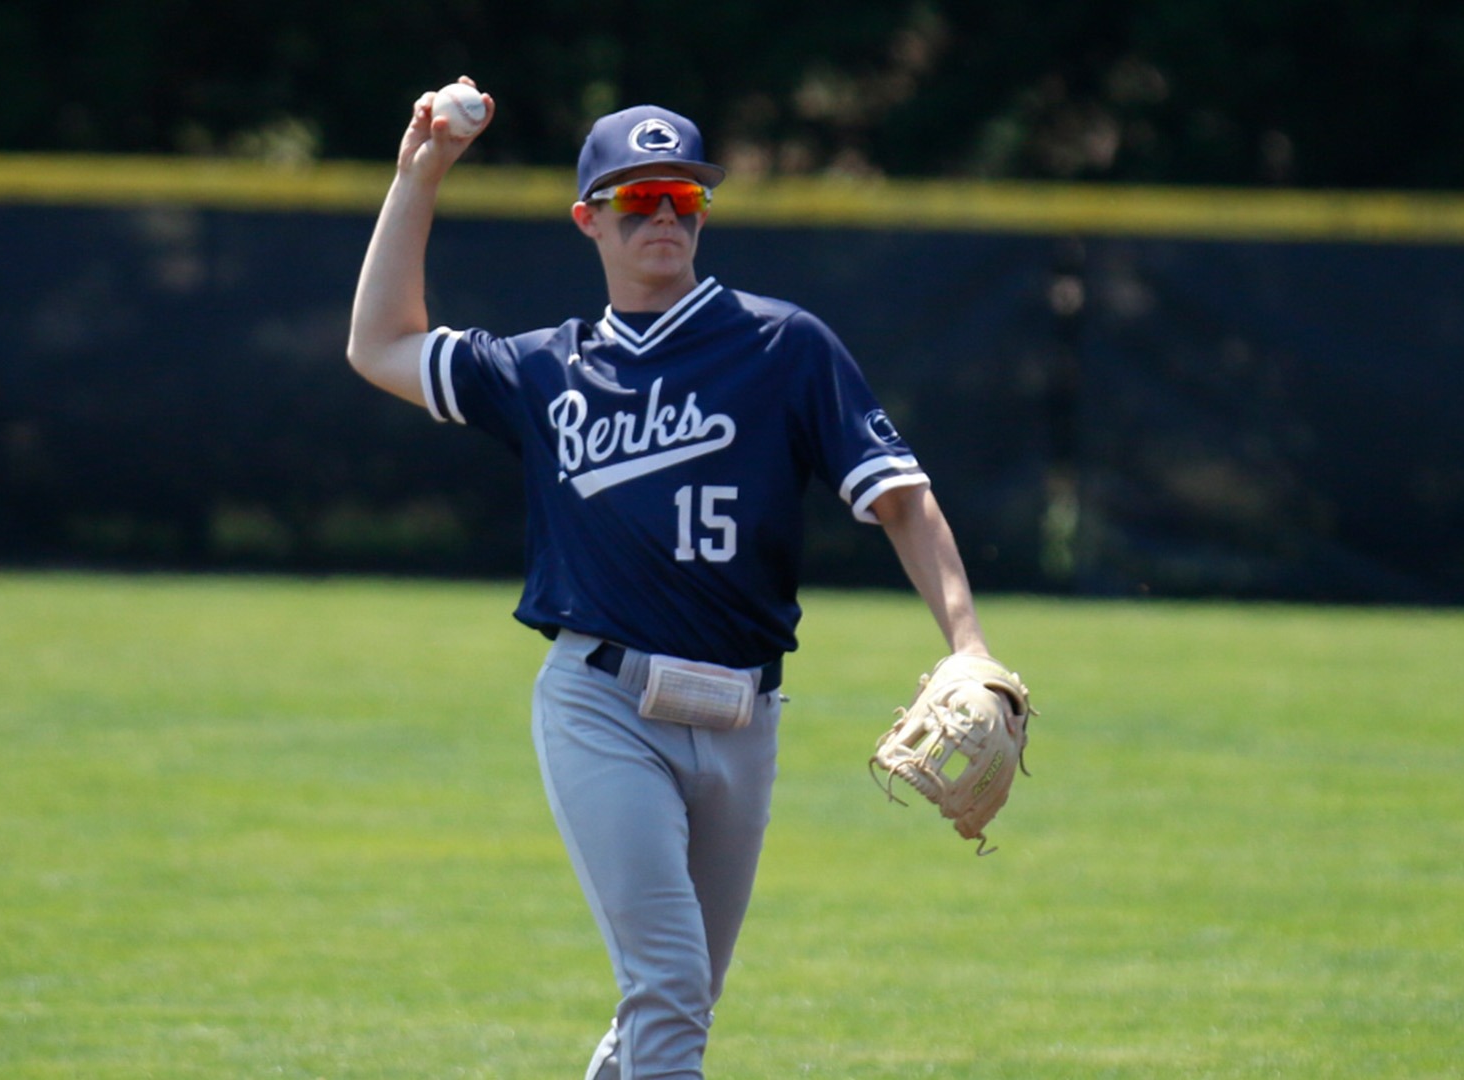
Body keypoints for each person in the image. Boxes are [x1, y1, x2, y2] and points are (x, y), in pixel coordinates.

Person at [347, 77, 996, 1080]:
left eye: (683, 198)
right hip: (604, 706)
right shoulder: (547, 370)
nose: (662, 215)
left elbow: (901, 498)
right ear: (588, 220)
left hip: (746, 719)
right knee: (668, 991)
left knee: (680, 999)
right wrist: (420, 172)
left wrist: (970, 646)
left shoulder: (784, 347)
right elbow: (380, 344)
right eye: (636, 198)